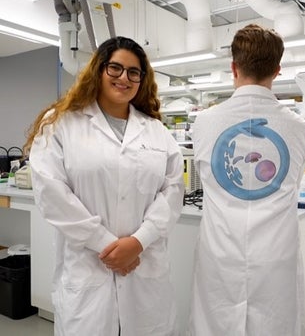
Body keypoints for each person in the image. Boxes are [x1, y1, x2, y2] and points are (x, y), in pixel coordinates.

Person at [24, 36, 185, 336]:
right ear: (99, 70)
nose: (124, 78)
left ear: (141, 80)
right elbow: (52, 193)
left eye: (133, 72)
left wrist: (138, 241)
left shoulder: (155, 131)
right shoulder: (60, 124)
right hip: (88, 272)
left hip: (145, 269)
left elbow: (173, 190)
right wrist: (106, 245)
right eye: (115, 68)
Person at [188, 24, 305, 335]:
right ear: (277, 70)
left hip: (220, 252)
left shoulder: (203, 123)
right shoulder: (298, 128)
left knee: (216, 326)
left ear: (233, 67)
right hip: (275, 254)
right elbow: (293, 182)